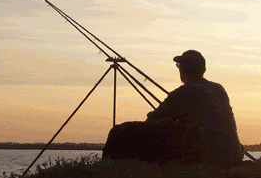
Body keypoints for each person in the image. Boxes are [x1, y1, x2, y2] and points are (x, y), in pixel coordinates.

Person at [102, 50, 244, 166]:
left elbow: (151, 120)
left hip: (206, 151)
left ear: (181, 69)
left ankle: (109, 171)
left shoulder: (183, 92)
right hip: (233, 152)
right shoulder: (219, 89)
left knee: (120, 131)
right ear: (204, 69)